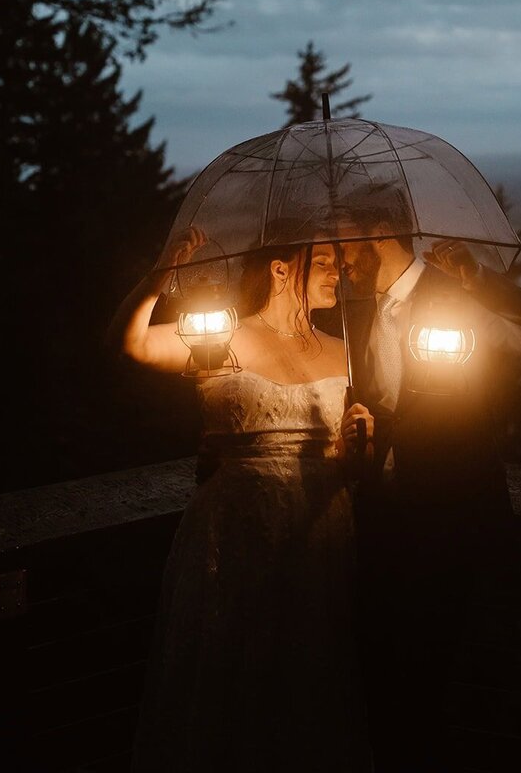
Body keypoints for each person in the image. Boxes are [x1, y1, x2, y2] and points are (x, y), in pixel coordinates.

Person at [106, 227, 375, 773]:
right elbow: (127, 345)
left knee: (309, 673)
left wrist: (358, 446)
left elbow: (351, 467)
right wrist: (162, 273)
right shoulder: (219, 337)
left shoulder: (346, 352)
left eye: (338, 264)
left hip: (319, 530)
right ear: (280, 269)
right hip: (236, 529)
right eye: (323, 261)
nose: (337, 274)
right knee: (233, 666)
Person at [323, 185, 521, 773]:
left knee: (447, 683)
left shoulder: (459, 293)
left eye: (347, 240)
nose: (339, 255)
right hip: (383, 525)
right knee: (382, 688)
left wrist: (482, 282)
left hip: (454, 520)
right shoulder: (357, 311)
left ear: (381, 234)